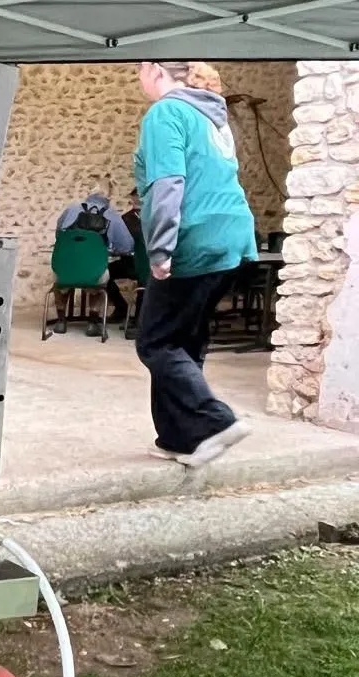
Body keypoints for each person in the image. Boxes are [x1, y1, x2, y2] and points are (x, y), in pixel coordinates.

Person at [134, 61, 256, 467]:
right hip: (232, 237)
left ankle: (215, 422)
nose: (139, 79)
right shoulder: (213, 119)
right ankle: (179, 438)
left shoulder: (167, 111)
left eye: (139, 70)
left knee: (156, 342)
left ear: (155, 70)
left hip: (195, 238)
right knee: (183, 342)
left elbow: (168, 183)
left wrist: (161, 249)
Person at [55, 187, 135, 327]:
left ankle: (61, 321)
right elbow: (127, 246)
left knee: (61, 281)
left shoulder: (71, 209)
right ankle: (92, 322)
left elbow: (59, 235)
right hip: (94, 271)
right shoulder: (112, 215)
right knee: (99, 283)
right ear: (107, 202)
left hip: (65, 268)